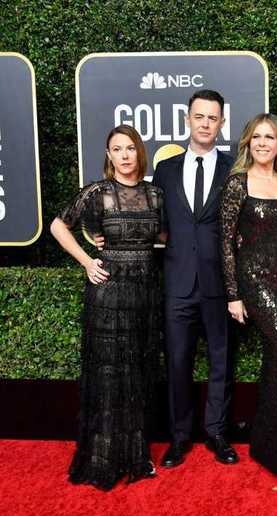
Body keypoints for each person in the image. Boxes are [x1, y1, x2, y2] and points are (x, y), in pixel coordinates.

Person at [50, 125, 163, 490]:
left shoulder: (154, 194)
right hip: (109, 292)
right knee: (109, 373)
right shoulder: (97, 193)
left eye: (130, 148)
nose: (125, 155)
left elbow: (164, 236)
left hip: (145, 291)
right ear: (109, 155)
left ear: (139, 153)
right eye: (117, 149)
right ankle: (102, 456)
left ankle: (135, 453)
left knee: (138, 370)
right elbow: (58, 225)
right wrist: (86, 259)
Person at [153, 89, 238, 468]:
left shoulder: (234, 169)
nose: (205, 123)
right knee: (177, 362)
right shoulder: (165, 170)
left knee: (222, 361)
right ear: (187, 120)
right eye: (199, 116)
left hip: (220, 284)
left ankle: (217, 433)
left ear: (221, 124)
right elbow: (155, 223)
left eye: (213, 118)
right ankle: (179, 437)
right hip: (177, 283)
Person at [219, 114, 277, 482]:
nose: (263, 143)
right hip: (255, 280)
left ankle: (266, 443)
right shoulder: (238, 183)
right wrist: (234, 295)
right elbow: (224, 241)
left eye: (270, 137)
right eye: (257, 137)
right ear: (247, 143)